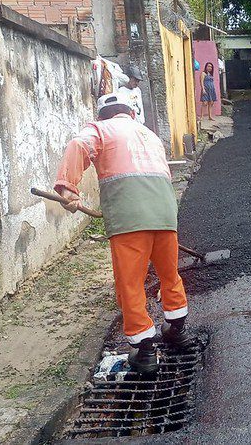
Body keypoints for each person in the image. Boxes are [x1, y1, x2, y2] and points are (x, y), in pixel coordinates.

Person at [53, 93, 197, 374]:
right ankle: (177, 328)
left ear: (102, 115)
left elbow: (78, 145)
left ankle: (144, 351)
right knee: (169, 274)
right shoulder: (149, 134)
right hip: (165, 213)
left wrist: (68, 187)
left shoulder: (99, 129)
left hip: (129, 217)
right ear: (131, 114)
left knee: (130, 282)